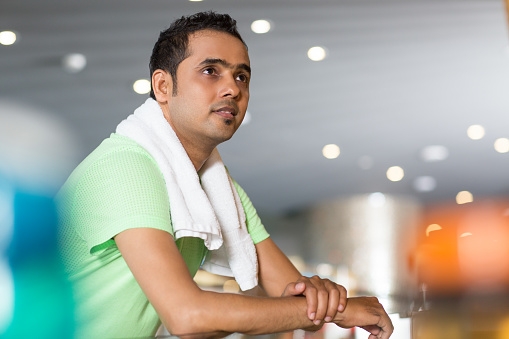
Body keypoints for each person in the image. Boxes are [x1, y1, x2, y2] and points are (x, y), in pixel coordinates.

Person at [57, 11, 393, 339]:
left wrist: (322, 298)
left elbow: (292, 296)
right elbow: (186, 316)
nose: (232, 88)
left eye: (241, 76)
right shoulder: (126, 167)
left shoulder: (216, 185)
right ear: (162, 86)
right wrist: (342, 309)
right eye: (210, 71)